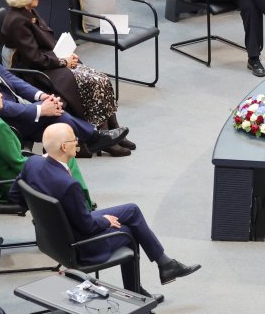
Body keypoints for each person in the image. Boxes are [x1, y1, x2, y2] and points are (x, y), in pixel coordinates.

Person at [12, 124, 199, 291]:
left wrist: (41, 211)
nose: (77, 141)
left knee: (132, 210)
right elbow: (87, 227)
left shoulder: (32, 163)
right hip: (80, 246)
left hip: (51, 238)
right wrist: (105, 220)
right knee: (130, 233)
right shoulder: (68, 185)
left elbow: (15, 194)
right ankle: (137, 291)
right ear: (63, 147)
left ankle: (165, 264)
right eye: (73, 139)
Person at [0, 17, 129, 153]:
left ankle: (93, 138)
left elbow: (9, 77)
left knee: (56, 111)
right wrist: (40, 110)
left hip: (8, 108)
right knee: (56, 117)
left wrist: (40, 96)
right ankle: (94, 138)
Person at [1, 0, 133, 146]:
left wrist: (65, 54)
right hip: (37, 71)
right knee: (92, 82)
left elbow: (44, 43)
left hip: (50, 60)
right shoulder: (17, 21)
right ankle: (103, 137)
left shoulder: (27, 10)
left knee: (101, 78)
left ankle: (112, 127)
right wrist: (63, 61)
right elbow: (34, 58)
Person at [0, 78, 99, 194]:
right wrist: (50, 161)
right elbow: (18, 163)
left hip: (3, 177)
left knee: (58, 155)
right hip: (14, 184)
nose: (2, 96)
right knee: (65, 155)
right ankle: (83, 202)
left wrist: (45, 158)